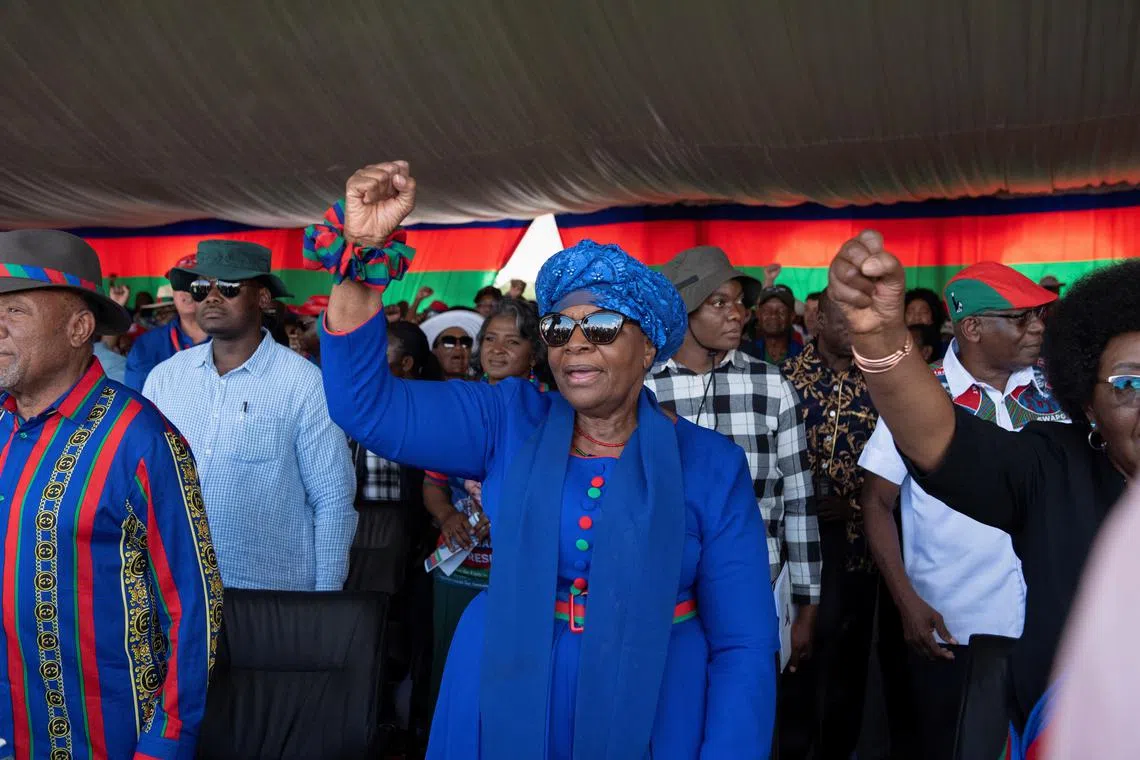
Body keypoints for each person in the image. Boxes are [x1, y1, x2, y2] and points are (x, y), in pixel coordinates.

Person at [315, 161, 777, 759]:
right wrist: (365, 259)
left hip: (660, 696)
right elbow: (364, 406)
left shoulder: (712, 464)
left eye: (604, 325)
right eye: (559, 327)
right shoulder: (508, 420)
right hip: (501, 679)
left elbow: (743, 643)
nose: (576, 342)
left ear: (648, 350)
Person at [829, 231, 1136, 753]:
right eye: (1129, 384)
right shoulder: (1055, 467)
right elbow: (939, 442)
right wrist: (881, 338)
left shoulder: (1037, 396)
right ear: (1088, 406)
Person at [0, 230, 222, 758]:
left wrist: (168, 742)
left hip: (95, 735)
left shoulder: (142, 440)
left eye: (16, 312)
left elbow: (196, 607)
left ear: (79, 328)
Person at [859, 262, 1063, 758]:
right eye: (1020, 318)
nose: (1037, 327)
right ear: (971, 327)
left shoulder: (1055, 391)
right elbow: (876, 502)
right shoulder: (920, 398)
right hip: (955, 628)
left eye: (1038, 315)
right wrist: (907, 603)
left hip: (1047, 626)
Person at [144, 240, 358, 591]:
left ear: (262, 299)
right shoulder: (165, 378)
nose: (211, 297)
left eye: (228, 287)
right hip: (176, 591)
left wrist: (325, 603)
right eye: (201, 288)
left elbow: (333, 499)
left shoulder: (303, 383)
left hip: (270, 594)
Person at [647, 245, 819, 671]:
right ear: (680, 312)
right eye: (718, 302)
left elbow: (798, 502)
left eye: (740, 303)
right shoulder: (645, 391)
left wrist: (806, 606)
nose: (737, 314)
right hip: (665, 596)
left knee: (750, 717)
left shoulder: (771, 385)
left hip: (756, 591)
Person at [424, 297, 550, 709]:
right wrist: (445, 515)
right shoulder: (463, 402)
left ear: (535, 350)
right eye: (490, 339)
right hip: (463, 559)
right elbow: (433, 482)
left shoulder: (551, 409)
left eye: (512, 341)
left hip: (521, 564)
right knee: (454, 665)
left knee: (509, 673)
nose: (497, 349)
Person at [781, 289, 880, 759]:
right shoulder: (784, 378)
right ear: (818, 322)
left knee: (846, 658)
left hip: (858, 544)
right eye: (845, 321)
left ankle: (839, 748)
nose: (855, 330)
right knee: (796, 656)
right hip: (794, 540)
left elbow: (903, 470)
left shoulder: (880, 382)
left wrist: (855, 509)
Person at [124, 256, 208, 390]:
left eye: (195, 283)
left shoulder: (232, 342)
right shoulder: (146, 345)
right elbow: (137, 402)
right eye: (179, 283)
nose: (186, 291)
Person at [422, 310, 485, 381]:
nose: (458, 347)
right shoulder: (419, 386)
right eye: (449, 342)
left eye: (465, 342)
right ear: (434, 350)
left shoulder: (480, 387)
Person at [750, 285, 804, 363]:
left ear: (792, 316)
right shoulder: (746, 353)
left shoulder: (803, 356)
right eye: (767, 311)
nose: (773, 315)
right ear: (758, 314)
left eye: (782, 311)